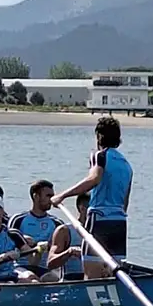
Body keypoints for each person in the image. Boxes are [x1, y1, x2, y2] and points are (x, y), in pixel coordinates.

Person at [51, 116, 133, 279]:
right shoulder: (127, 165)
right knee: (110, 276)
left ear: (98, 137)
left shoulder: (100, 156)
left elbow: (93, 179)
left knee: (91, 276)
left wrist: (62, 195)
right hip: (120, 223)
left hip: (99, 219)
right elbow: (125, 202)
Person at [8, 180, 64, 282]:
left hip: (45, 268)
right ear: (36, 196)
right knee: (30, 278)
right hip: (21, 266)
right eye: (48, 196)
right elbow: (6, 242)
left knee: (52, 279)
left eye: (52, 196)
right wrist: (23, 238)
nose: (51, 200)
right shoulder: (18, 219)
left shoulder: (57, 223)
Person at [47, 193, 89, 281]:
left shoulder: (101, 231)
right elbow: (50, 263)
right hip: (71, 279)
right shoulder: (64, 231)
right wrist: (69, 252)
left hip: (94, 279)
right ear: (82, 208)